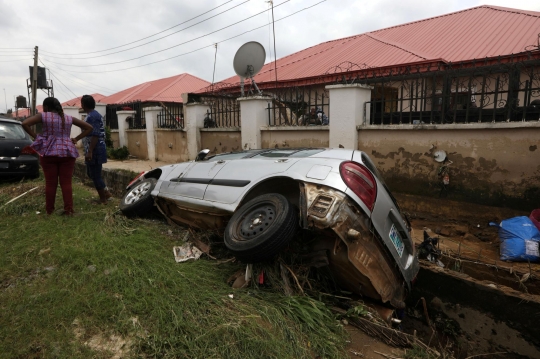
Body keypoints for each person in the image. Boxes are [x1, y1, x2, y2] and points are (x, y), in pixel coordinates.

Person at [22, 97, 93, 215]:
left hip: (48, 152)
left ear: (46, 107)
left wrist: (36, 137)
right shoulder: (69, 118)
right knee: (66, 182)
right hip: (67, 152)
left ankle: (49, 210)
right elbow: (89, 127)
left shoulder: (43, 116)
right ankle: (69, 210)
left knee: (50, 183)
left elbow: (24, 123)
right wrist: (76, 139)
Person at [80, 94, 112, 204]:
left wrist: (90, 151)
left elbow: (95, 135)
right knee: (91, 173)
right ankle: (106, 193)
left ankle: (103, 199)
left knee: (95, 174)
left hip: (95, 149)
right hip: (93, 148)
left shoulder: (93, 116)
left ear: (83, 104)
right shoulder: (92, 115)